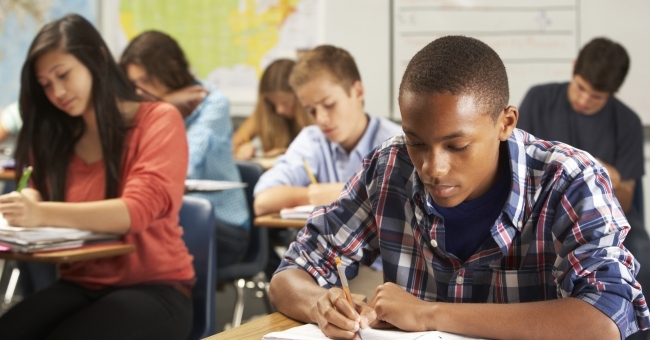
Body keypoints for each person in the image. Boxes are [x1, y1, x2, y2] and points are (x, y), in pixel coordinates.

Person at [268, 36, 650, 340]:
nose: (433, 167)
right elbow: (291, 274)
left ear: (505, 123)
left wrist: (427, 313)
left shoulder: (571, 180)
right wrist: (322, 303)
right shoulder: (388, 169)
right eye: (416, 141)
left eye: (457, 146)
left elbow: (604, 320)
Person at [0, 14, 194, 339]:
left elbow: (135, 211)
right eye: (46, 84)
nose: (57, 91)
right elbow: (39, 191)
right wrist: (27, 200)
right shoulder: (59, 132)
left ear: (97, 59)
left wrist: (40, 212)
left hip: (155, 289)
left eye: (63, 74)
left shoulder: (158, 120)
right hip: (80, 284)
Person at [518, 38, 650, 340]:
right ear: (574, 68)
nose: (584, 100)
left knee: (641, 251)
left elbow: (626, 201)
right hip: (542, 210)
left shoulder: (627, 121)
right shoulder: (539, 99)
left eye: (597, 97)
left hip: (606, 215)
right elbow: (518, 171)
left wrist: (605, 177)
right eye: (581, 88)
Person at [120, 30, 250, 268]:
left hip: (222, 225)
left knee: (148, 233)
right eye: (133, 84)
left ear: (169, 70)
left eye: (146, 81)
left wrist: (163, 112)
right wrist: (166, 105)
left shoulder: (213, 103)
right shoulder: (143, 109)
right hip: (171, 218)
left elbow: (181, 166)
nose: (139, 93)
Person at [253, 45, 402, 217]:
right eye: (311, 110)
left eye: (329, 105)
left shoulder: (397, 143)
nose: (321, 119)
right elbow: (262, 201)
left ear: (358, 92)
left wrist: (344, 191)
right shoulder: (312, 140)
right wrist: (313, 195)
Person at [232, 59, 313, 160]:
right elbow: (230, 148)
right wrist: (240, 151)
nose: (279, 110)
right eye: (272, 103)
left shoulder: (316, 115)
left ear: (301, 97)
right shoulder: (262, 115)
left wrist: (288, 153)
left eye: (285, 102)